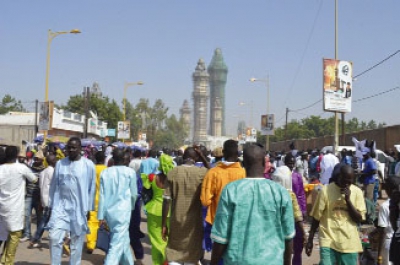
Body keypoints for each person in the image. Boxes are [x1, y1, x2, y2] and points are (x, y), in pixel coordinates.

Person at [210, 144, 294, 265]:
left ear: (243, 164)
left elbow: (221, 237)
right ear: (265, 164)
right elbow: (288, 236)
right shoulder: (280, 192)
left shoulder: (231, 191)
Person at [47, 137, 96, 265]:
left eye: (74, 147)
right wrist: (50, 204)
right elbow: (54, 185)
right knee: (54, 237)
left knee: (76, 241)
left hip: (79, 208)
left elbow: (92, 188)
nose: (71, 150)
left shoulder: (88, 165)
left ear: (80, 149)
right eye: (69, 147)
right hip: (60, 206)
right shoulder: (60, 164)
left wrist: (89, 208)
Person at [306, 165, 366, 265]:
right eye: (344, 180)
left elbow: (359, 219)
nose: (347, 184)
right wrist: (310, 240)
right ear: (339, 177)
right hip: (328, 239)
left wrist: (348, 200)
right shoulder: (325, 191)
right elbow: (316, 218)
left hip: (349, 242)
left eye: (349, 181)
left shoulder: (357, 192)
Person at [161, 146, 209, 265]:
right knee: (191, 255)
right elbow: (212, 171)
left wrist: (163, 224)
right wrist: (202, 157)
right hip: (194, 222)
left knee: (174, 252)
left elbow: (166, 200)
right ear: (196, 158)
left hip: (176, 220)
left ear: (183, 157)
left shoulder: (173, 173)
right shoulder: (201, 173)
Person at [201, 140, 246, 261]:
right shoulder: (243, 173)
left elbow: (205, 201)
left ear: (223, 152)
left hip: (217, 221)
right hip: (238, 222)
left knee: (219, 256)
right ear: (237, 153)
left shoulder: (213, 173)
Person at [97, 148, 138, 265]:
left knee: (123, 239)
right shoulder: (130, 172)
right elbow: (134, 194)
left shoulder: (106, 172)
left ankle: (128, 262)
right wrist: (131, 207)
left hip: (109, 212)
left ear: (113, 159)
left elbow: (102, 195)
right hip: (123, 211)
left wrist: (101, 215)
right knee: (116, 245)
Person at [0, 146, 38, 265]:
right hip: (15, 208)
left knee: (3, 235)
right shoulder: (22, 168)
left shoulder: (1, 168)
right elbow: (34, 179)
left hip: (2, 207)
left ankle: (3, 260)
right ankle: (8, 262)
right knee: (14, 236)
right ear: (16, 155)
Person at [143, 153, 175, 265]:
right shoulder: (173, 179)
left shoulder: (152, 177)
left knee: (156, 240)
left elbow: (145, 191)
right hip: (170, 212)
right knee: (169, 239)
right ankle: (167, 259)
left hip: (154, 211)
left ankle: (159, 262)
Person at [29, 153, 57, 248]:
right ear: (52, 161)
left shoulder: (43, 172)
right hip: (51, 199)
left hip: (43, 198)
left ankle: (36, 239)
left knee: (44, 220)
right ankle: (36, 238)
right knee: (46, 220)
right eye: (55, 160)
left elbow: (41, 186)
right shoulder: (53, 172)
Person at [284, 153, 306, 265]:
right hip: (284, 209)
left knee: (298, 239)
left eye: (292, 163)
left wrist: (303, 209)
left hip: (296, 209)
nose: (291, 165)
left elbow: (301, 193)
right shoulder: (281, 175)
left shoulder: (297, 176)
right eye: (289, 163)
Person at [20, 150, 45, 242]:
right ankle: (27, 234)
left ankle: (38, 236)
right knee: (26, 215)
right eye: (35, 159)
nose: (36, 160)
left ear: (42, 160)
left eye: (38, 159)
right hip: (29, 195)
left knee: (39, 217)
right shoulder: (29, 169)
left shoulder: (44, 170)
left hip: (38, 197)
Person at [85, 151, 107, 254]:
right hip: (103, 200)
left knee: (91, 222)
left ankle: (90, 244)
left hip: (92, 200)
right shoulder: (106, 170)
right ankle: (101, 241)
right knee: (101, 222)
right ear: (104, 159)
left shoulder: (91, 170)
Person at [377, 176, 400, 265]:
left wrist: (379, 255)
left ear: (387, 189)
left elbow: (382, 231)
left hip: (390, 241)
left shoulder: (386, 205)